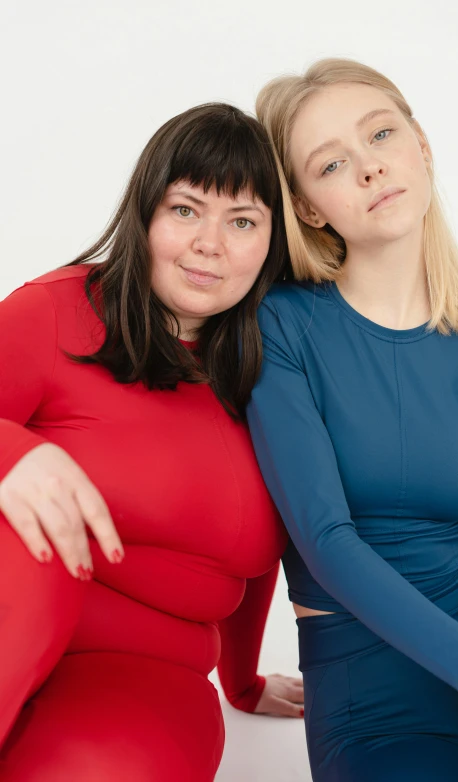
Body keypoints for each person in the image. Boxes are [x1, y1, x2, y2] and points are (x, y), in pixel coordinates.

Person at [0, 103, 304, 782]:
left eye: (243, 221)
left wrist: (243, 680)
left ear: (272, 243)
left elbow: (256, 562)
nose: (209, 244)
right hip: (12, 606)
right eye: (186, 209)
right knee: (38, 533)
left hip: (137, 674)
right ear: (145, 214)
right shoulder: (54, 310)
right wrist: (16, 455)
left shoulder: (275, 379)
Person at [248, 58, 458, 781]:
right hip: (372, 676)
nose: (369, 168)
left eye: (381, 135)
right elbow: (326, 544)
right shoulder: (281, 327)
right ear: (308, 207)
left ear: (421, 147)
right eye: (333, 162)